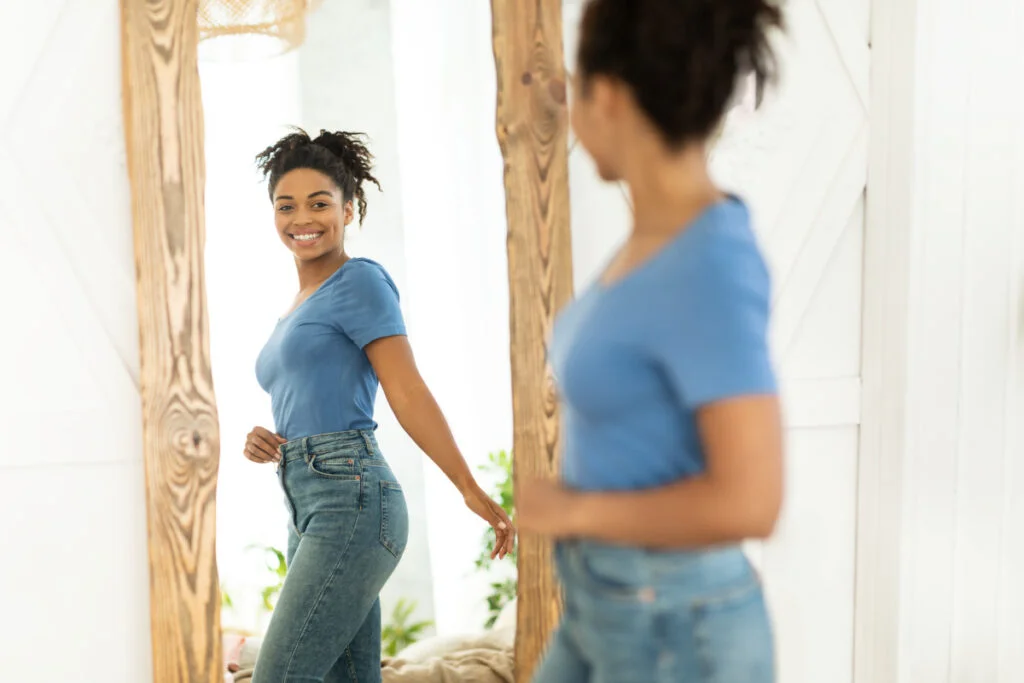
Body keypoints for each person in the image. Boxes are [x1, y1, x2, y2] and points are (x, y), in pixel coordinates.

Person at [516, 1, 786, 681]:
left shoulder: (708, 264)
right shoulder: (654, 239)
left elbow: (752, 499)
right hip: (607, 601)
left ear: (606, 96)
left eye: (579, 90)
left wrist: (573, 506)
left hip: (675, 621)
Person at [244, 128, 515, 683]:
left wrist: (466, 484)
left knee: (280, 675)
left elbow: (407, 390)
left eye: (320, 203)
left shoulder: (360, 281)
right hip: (305, 498)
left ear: (348, 209)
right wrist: (267, 439)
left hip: (352, 498)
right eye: (286, 205)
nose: (303, 218)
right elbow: (309, 394)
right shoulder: (295, 308)